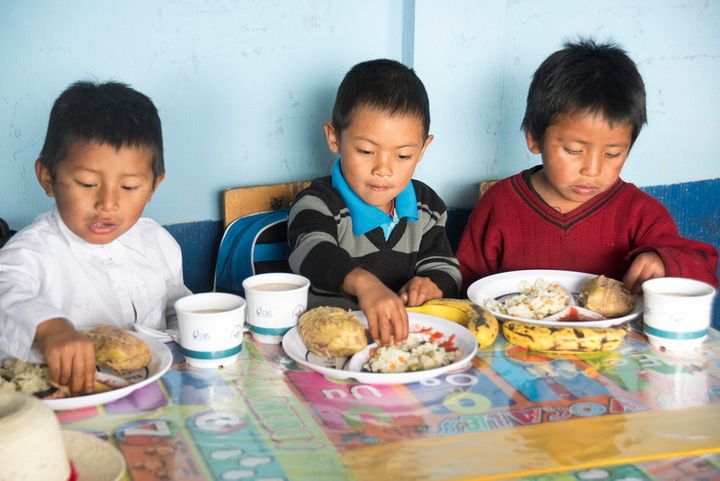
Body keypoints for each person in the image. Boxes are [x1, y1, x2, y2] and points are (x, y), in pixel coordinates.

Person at [457, 38, 718, 293]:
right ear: (535, 138)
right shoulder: (500, 204)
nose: (592, 170)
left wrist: (663, 262)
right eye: (574, 150)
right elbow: (464, 285)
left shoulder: (639, 214)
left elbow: (703, 270)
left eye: (613, 154)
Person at [0, 81, 190, 394]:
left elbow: (176, 307)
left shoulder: (158, 243)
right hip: (62, 403)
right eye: (87, 184)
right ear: (48, 178)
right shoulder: (32, 251)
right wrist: (48, 327)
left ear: (154, 185)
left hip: (150, 397)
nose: (108, 204)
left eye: (129, 187)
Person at [288, 59, 461, 345]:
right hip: (328, 348)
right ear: (334, 138)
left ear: (422, 150)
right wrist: (365, 283)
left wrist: (431, 285)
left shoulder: (426, 207)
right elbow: (312, 253)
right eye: (367, 151)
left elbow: (447, 269)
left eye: (403, 156)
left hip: (402, 347)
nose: (384, 169)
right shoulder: (317, 204)